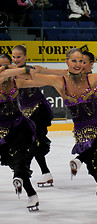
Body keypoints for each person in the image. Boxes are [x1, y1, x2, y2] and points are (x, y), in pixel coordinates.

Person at [25, 48, 97, 218]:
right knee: (94, 169)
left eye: (81, 61)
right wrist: (21, 69)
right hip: (82, 134)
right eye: (74, 61)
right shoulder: (60, 82)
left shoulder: (92, 78)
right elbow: (33, 76)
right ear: (66, 62)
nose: (78, 64)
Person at [0, 54, 40, 211]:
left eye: (6, 65)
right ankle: (24, 185)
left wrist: (64, 78)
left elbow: (43, 81)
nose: (3, 68)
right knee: (14, 163)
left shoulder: (16, 82)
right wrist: (22, 69)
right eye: (0, 66)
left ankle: (29, 192)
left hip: (18, 126)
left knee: (19, 160)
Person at [12, 45, 54, 188]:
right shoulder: (11, 72)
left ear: (25, 57)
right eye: (14, 57)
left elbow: (49, 73)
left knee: (36, 141)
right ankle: (46, 173)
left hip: (39, 110)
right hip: (25, 113)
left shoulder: (32, 69)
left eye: (19, 57)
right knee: (32, 143)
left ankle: (23, 169)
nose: (16, 59)